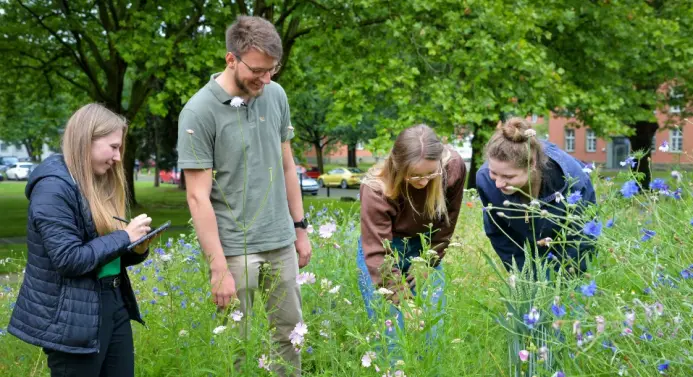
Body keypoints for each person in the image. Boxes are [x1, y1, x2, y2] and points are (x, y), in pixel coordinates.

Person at [176, 16, 310, 376]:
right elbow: (198, 198)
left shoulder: (275, 95)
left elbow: (286, 166)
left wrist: (300, 228)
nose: (266, 80)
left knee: (290, 339)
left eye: (272, 70)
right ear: (230, 59)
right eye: (258, 70)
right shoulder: (198, 111)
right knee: (237, 347)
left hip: (280, 241)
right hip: (235, 250)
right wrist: (218, 267)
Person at [8, 103, 156, 377]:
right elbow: (69, 259)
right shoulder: (53, 188)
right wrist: (124, 235)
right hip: (72, 317)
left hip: (113, 301)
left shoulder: (95, 181)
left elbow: (104, 253)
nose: (117, 157)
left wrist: (136, 248)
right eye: (113, 147)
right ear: (87, 140)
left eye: (120, 148)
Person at [356, 124, 466, 340]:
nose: (424, 182)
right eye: (415, 176)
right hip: (384, 252)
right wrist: (402, 299)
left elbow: (446, 225)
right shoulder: (377, 188)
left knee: (431, 330)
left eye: (430, 174)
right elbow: (379, 253)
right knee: (390, 333)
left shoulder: (452, 168)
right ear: (398, 166)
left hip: (426, 248)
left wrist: (427, 262)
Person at [476, 117, 596, 276]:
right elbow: (500, 235)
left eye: (508, 177)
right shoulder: (486, 180)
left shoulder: (572, 180)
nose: (498, 183)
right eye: (494, 173)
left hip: (566, 248)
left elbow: (582, 239)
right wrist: (524, 275)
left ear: (531, 164)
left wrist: (562, 280)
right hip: (525, 252)